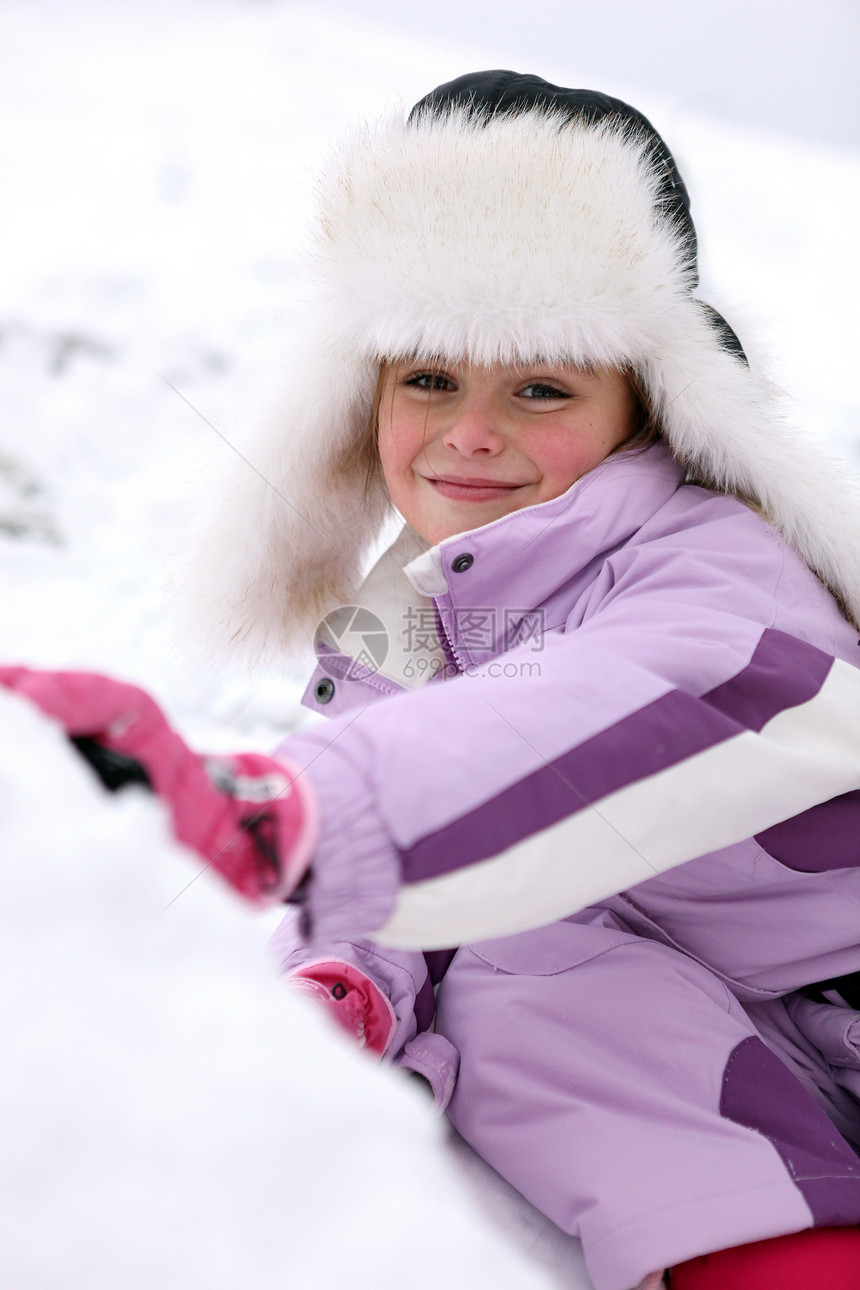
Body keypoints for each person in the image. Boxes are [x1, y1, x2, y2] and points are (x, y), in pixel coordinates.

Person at [6, 70, 860, 1290]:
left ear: (644, 406)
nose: (469, 432)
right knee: (512, 977)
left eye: (540, 386)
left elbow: (603, 715)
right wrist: (350, 979)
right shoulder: (406, 626)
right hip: (749, 1042)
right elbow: (432, 858)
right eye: (426, 380)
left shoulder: (720, 569)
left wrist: (287, 810)